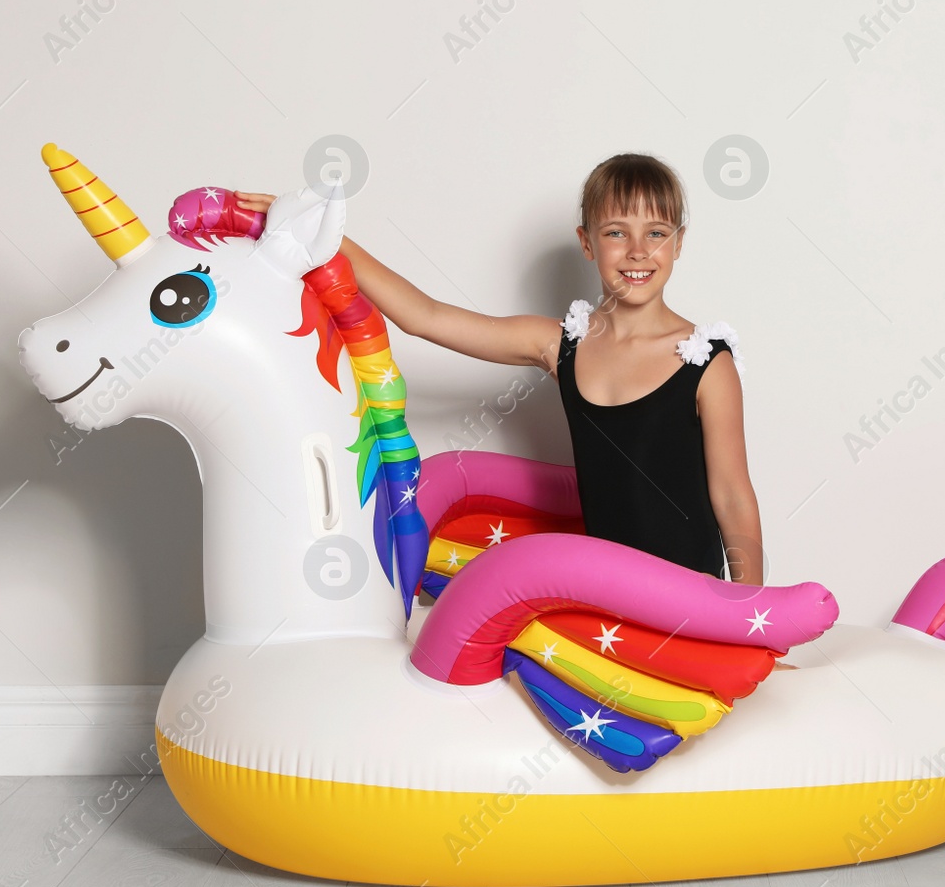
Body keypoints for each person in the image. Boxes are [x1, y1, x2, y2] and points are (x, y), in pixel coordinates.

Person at [235, 153, 763, 585]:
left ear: (679, 242)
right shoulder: (558, 344)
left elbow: (733, 496)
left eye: (656, 233)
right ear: (586, 242)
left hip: (692, 592)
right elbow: (427, 317)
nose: (637, 251)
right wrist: (328, 240)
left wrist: (752, 620)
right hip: (606, 592)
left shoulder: (704, 361)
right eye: (616, 233)